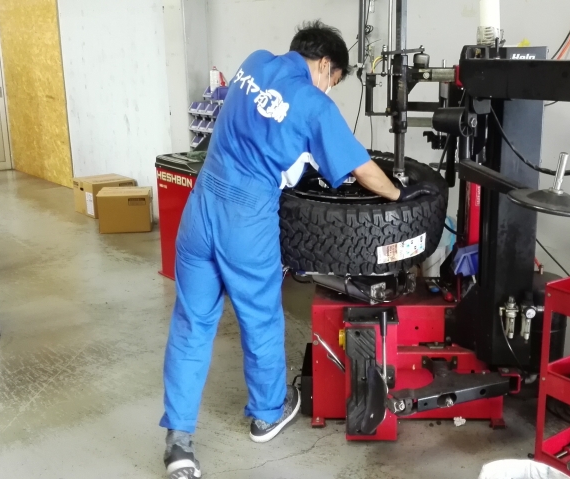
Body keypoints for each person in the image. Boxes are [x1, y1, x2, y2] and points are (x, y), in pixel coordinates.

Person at [159, 20, 438, 479]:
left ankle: (178, 444)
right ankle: (267, 414)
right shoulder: (313, 103)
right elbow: (361, 168)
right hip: (246, 218)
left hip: (201, 204)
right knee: (260, 319)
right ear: (325, 64)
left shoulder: (253, 62)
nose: (330, 89)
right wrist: (398, 195)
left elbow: (263, 127)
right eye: (334, 80)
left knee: (191, 324)